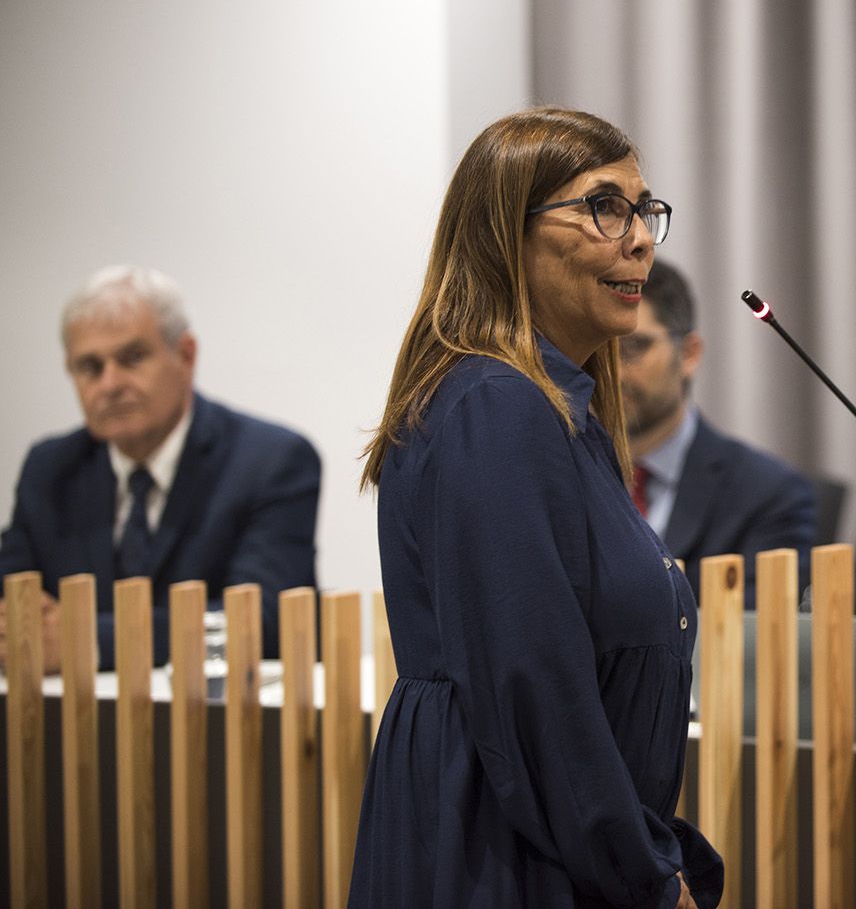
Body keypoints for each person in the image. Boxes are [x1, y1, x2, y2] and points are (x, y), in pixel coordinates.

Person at [349, 108, 721, 908]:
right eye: (603, 207)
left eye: (643, 210)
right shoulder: (496, 405)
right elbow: (536, 692)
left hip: (550, 847)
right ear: (503, 235)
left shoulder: (551, 409)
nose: (641, 240)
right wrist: (650, 878)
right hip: (506, 860)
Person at [0, 266, 319, 670]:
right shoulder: (49, 470)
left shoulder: (272, 461)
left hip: (225, 725)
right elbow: (11, 609)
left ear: (186, 355)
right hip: (69, 727)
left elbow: (262, 622)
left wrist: (87, 642)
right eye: (90, 367)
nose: (110, 384)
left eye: (132, 358)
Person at [621, 260, 815, 607]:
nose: (612, 370)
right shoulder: (558, 474)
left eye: (633, 347)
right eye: (599, 350)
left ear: (689, 354)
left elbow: (762, 643)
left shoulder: (769, 496)